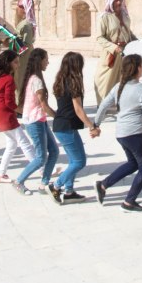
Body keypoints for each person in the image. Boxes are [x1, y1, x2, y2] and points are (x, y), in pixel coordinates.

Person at [93, 53, 142, 212]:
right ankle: (129, 202)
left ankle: (103, 185)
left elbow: (103, 106)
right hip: (135, 135)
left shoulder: (118, 87)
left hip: (121, 134)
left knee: (133, 164)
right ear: (137, 69)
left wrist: (96, 124)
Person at [50, 51, 100, 203]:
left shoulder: (60, 80)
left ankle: (69, 191)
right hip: (66, 127)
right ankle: (56, 185)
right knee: (79, 162)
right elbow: (78, 109)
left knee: (73, 161)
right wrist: (92, 126)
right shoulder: (73, 82)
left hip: (61, 126)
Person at [14, 48, 59, 197]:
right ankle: (19, 181)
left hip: (40, 120)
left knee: (54, 151)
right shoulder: (37, 80)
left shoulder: (33, 78)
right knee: (41, 157)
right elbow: (44, 105)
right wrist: (59, 117)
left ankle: (44, 183)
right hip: (34, 122)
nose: (48, 62)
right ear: (40, 61)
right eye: (46, 59)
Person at [0, 50, 35, 185]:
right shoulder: (8, 79)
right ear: (8, 63)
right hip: (8, 116)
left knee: (11, 146)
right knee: (25, 143)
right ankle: (42, 169)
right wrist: (24, 111)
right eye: (15, 62)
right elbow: (10, 103)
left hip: (0, 115)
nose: (18, 65)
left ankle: (0, 174)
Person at [94, 0, 135, 102]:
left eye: (120, 0)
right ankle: (102, 104)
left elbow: (128, 33)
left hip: (125, 53)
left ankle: (120, 102)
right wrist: (113, 48)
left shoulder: (125, 15)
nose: (118, 3)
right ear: (111, 2)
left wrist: (138, 42)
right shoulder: (105, 17)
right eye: (116, 0)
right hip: (110, 53)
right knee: (105, 80)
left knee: (124, 79)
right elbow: (99, 37)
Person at [11, 0, 37, 89]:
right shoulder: (24, 23)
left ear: (23, 8)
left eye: (19, 6)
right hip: (22, 57)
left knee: (20, 82)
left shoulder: (26, 25)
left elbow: (25, 45)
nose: (17, 9)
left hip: (23, 59)